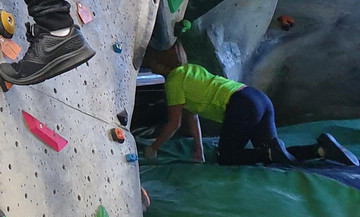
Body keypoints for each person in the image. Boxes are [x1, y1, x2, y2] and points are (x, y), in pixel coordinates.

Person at [142, 43, 358, 167]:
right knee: (273, 151)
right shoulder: (190, 70)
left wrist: (153, 148)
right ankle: (321, 149)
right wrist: (198, 148)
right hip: (256, 97)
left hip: (241, 105)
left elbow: (174, 123)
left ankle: (271, 154)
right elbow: (192, 114)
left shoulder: (172, 81)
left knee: (227, 157)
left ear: (160, 64)